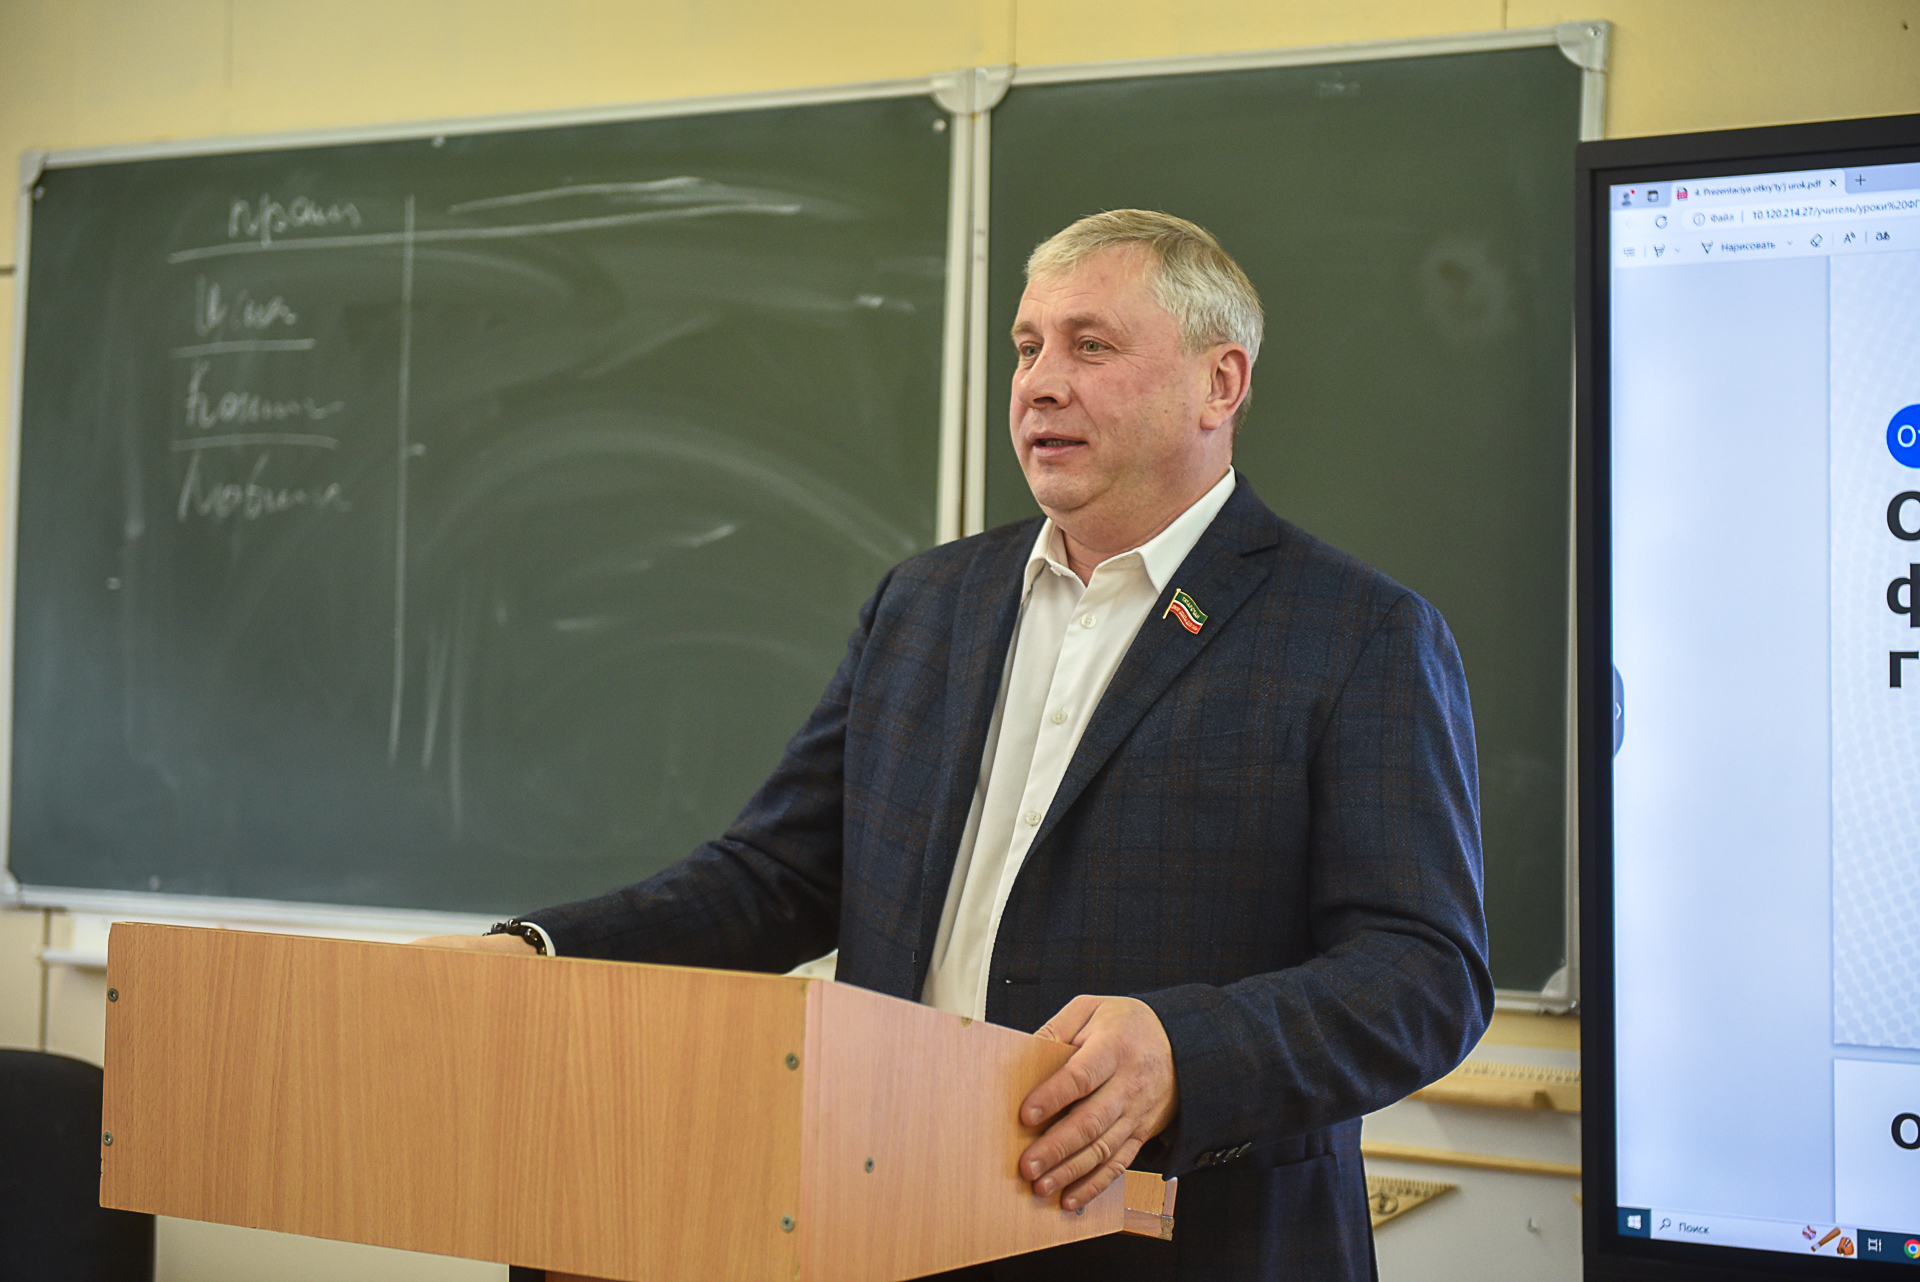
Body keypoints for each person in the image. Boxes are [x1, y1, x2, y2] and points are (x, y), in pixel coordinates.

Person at [421, 210, 1491, 1281]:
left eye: (1091, 346)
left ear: (1220, 384)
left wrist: (1185, 1054)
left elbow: (1424, 973)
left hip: (1194, 1242)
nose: (1040, 384)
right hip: (900, 1229)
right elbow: (776, 876)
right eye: (1027, 347)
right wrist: (543, 955)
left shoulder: (1358, 633)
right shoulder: (928, 602)